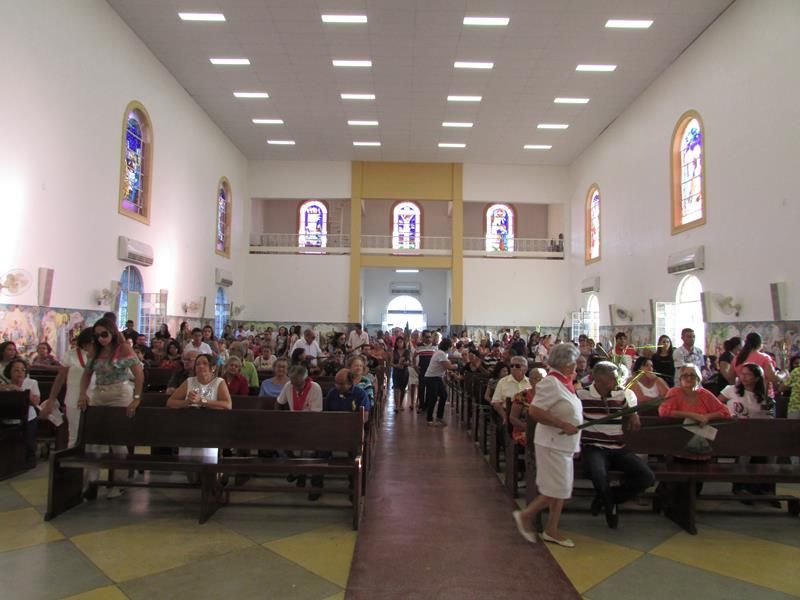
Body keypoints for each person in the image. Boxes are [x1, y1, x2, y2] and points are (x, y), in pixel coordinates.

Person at [513, 343, 582, 548]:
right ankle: (525, 515)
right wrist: (562, 424)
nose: (577, 366)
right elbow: (535, 411)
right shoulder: (551, 383)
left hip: (563, 443)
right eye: (575, 362)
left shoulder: (564, 382)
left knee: (561, 488)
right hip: (552, 443)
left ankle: (551, 529)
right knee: (556, 488)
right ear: (567, 364)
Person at [578, 361, 656, 529]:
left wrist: (634, 413)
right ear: (599, 380)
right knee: (598, 474)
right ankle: (610, 508)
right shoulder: (582, 395)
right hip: (595, 447)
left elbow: (631, 409)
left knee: (647, 478)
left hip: (618, 447)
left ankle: (608, 499)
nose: (616, 381)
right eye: (612, 378)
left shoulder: (620, 394)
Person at [78, 317, 144, 498]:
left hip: (119, 393)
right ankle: (91, 483)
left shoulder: (123, 349)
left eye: (104, 334)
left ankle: (119, 482)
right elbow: (86, 374)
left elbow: (139, 374)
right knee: (94, 439)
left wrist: (136, 398)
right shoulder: (96, 351)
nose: (101, 338)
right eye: (97, 335)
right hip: (100, 393)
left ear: (112, 332)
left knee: (117, 440)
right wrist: (83, 393)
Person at [167, 354, 231, 467]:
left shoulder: (219, 382)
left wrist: (202, 401)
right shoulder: (189, 381)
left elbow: (227, 405)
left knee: (207, 465)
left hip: (210, 430)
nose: (201, 366)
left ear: (213, 367)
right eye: (198, 364)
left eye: (205, 363)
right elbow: (170, 402)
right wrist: (187, 402)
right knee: (186, 464)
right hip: (189, 429)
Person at [44, 327, 94, 447]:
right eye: (89, 342)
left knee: (94, 436)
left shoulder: (101, 355)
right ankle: (73, 458)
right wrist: (51, 399)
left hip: (95, 399)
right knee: (74, 436)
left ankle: (93, 460)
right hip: (74, 399)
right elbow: (60, 378)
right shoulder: (71, 354)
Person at [0, 358, 41, 466]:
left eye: (23, 370)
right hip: (6, 418)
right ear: (9, 371)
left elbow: (36, 402)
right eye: (16, 370)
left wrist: (23, 393)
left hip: (28, 418)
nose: (20, 373)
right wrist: (10, 387)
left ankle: (29, 458)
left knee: (28, 442)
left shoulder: (32, 382)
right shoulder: (5, 384)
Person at [731, 332, 785, 398]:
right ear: (760, 344)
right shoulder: (764, 358)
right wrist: (783, 374)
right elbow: (772, 377)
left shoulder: (737, 358)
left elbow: (731, 377)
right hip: (760, 396)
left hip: (741, 394)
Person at [424, 338, 459, 426]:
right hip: (432, 377)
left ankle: (439, 417)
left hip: (436, 377)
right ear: (447, 346)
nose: (451, 348)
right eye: (450, 347)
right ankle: (429, 419)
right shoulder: (441, 353)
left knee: (443, 395)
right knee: (433, 397)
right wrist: (456, 366)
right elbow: (448, 366)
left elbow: (446, 363)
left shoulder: (442, 353)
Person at [491, 356, 532, 424]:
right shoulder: (503, 382)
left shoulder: (531, 382)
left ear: (526, 369)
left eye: (517, 366)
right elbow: (495, 403)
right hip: (507, 413)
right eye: (512, 366)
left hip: (527, 416)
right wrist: (505, 416)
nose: (513, 368)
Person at [413, 330, 436, 413]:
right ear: (423, 337)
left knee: (430, 388)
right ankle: (421, 406)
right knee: (421, 388)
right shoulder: (419, 346)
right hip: (422, 369)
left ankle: (427, 406)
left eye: (430, 337)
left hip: (432, 371)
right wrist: (415, 366)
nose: (429, 338)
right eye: (427, 337)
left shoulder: (435, 346)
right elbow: (414, 356)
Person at [391, 336, 411, 412]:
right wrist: (397, 365)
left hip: (404, 372)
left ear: (403, 343)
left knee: (402, 388)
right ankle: (396, 406)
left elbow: (409, 362)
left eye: (401, 342)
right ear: (396, 343)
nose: (399, 343)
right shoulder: (394, 351)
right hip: (396, 371)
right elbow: (391, 363)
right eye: (398, 342)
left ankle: (400, 404)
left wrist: (405, 363)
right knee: (396, 388)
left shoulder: (407, 351)